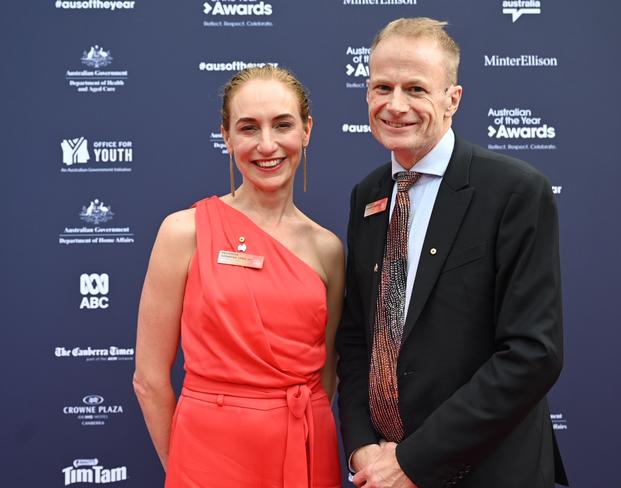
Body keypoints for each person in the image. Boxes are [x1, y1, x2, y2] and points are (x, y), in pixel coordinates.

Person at [336, 17, 569, 488]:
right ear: (366, 94)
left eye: (416, 89)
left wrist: (414, 461)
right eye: (382, 86)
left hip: (490, 473)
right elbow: (361, 336)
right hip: (383, 474)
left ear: (452, 100)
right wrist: (363, 448)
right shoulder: (369, 195)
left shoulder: (515, 191)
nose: (395, 105)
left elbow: (531, 354)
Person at [133, 65, 344, 488]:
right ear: (227, 137)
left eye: (282, 125)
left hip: (305, 447)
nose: (267, 144)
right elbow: (150, 380)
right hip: (209, 456)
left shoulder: (329, 249)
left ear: (306, 130)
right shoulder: (184, 231)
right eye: (248, 128)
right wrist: (185, 467)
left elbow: (327, 373)